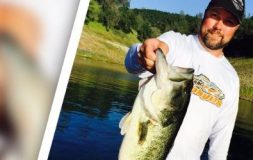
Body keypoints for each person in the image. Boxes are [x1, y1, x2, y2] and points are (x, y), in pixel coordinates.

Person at [125, 0, 244, 159]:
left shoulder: (231, 79)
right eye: (215, 15)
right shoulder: (176, 42)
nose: (218, 26)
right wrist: (141, 54)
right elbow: (132, 65)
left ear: (236, 28)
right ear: (205, 14)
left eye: (229, 21)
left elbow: (221, 142)